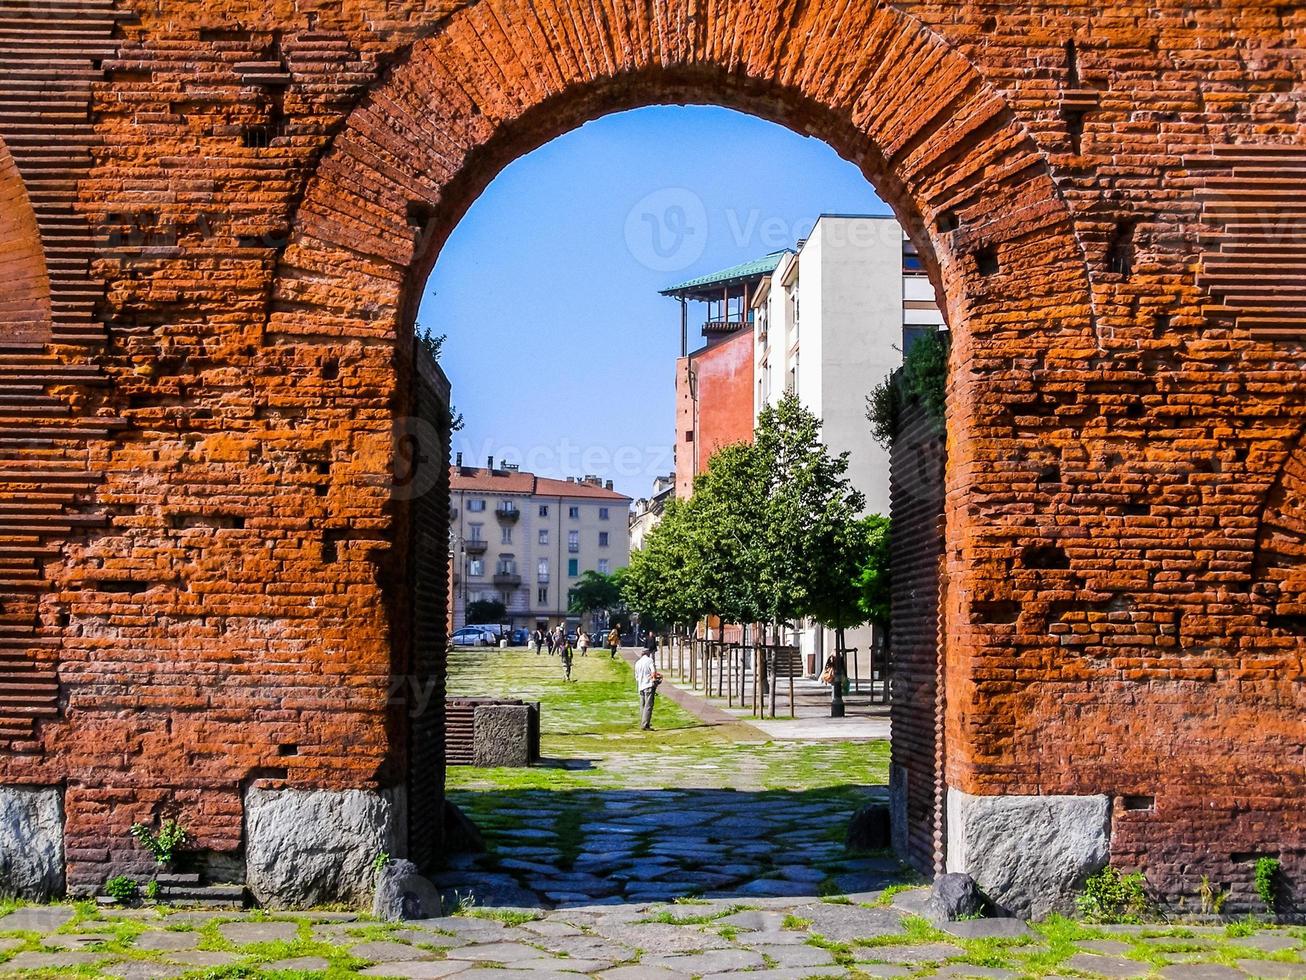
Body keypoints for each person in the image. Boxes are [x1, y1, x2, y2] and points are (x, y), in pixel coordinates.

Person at [635, 645, 659, 730]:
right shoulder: (649, 661)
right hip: (648, 685)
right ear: (648, 653)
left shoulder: (637, 663)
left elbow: (637, 677)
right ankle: (645, 725)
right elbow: (653, 672)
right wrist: (655, 680)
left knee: (642, 705)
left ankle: (643, 721)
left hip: (641, 686)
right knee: (648, 705)